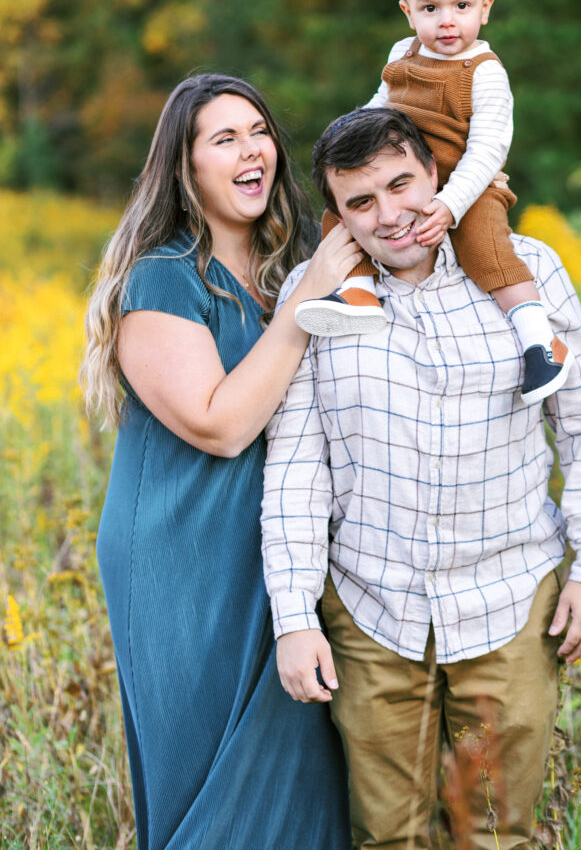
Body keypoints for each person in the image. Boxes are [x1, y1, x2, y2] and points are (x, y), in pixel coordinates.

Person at [261, 107, 581, 850]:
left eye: (401, 185)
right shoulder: (314, 292)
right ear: (336, 215)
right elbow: (297, 465)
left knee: (496, 832)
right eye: (360, 202)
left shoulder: (528, 270)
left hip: (509, 596)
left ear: (436, 176)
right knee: (388, 836)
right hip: (370, 605)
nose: (390, 215)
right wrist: (294, 616)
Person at [81, 74, 359, 850]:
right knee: (215, 775)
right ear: (187, 167)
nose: (250, 151)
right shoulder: (163, 277)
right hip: (182, 557)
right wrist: (311, 304)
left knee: (306, 761)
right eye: (223, 138)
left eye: (259, 131)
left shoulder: (286, 271)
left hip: (281, 549)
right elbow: (220, 425)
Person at [294, 0, 573, 406]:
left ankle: (539, 340)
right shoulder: (402, 53)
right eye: (430, 10)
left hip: (469, 184)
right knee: (341, 222)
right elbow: (379, 106)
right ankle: (359, 291)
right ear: (408, 11)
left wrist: (450, 202)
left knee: (486, 248)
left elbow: (489, 148)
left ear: (484, 8)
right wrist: (350, 138)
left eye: (461, 7)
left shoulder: (484, 71)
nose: (447, 22)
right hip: (404, 179)